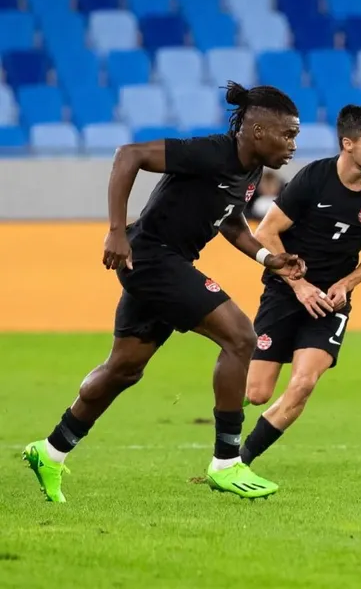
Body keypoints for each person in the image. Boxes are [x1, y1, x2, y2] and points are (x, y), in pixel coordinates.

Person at [22, 82, 305, 503]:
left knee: (124, 368)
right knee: (241, 337)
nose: (293, 145)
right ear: (259, 131)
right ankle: (227, 462)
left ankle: (50, 451)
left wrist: (267, 258)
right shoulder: (210, 153)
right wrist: (116, 232)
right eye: (288, 134)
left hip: (164, 265)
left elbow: (229, 222)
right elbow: (129, 155)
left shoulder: (248, 171)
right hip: (152, 259)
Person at [240, 105, 361, 468]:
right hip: (286, 292)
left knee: (304, 383)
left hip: (330, 303)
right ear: (348, 144)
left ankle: (240, 460)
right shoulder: (313, 179)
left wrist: (346, 283)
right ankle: (235, 375)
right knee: (258, 392)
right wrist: (299, 286)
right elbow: (265, 233)